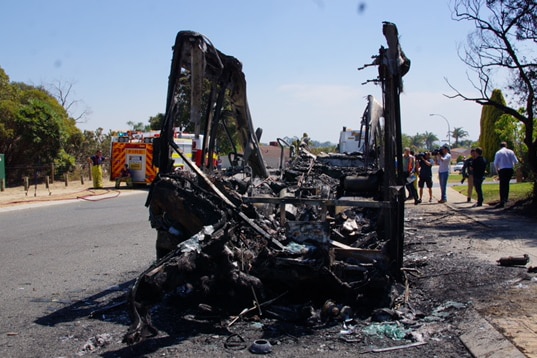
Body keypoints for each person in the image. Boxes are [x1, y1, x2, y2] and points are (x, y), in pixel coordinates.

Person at [493, 142, 519, 208]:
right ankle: (506, 198)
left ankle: (502, 200)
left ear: (500, 146)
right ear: (506, 145)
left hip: (502, 169)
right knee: (507, 183)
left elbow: (495, 163)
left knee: (502, 184)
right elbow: (516, 161)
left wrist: (497, 170)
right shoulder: (511, 152)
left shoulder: (498, 152)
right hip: (510, 169)